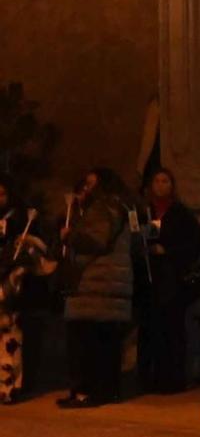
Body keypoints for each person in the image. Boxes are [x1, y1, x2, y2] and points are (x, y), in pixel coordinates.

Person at [56, 169, 138, 409]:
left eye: (91, 184)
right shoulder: (111, 207)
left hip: (98, 285)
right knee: (98, 341)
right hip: (101, 285)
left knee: (90, 342)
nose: (86, 189)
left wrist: (70, 236)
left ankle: (91, 391)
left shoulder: (105, 208)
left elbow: (95, 240)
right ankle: (98, 390)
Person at [135, 167, 199, 394]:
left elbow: (192, 244)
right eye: (157, 181)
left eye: (165, 181)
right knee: (149, 329)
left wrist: (168, 250)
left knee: (172, 329)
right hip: (148, 278)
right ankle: (148, 377)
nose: (161, 185)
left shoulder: (181, 213)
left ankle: (173, 378)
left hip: (171, 279)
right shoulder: (143, 211)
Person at [0, 182, 53, 405]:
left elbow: (38, 253)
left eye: (1, 193)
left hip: (13, 289)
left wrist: (26, 245)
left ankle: (9, 387)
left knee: (11, 340)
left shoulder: (22, 221)